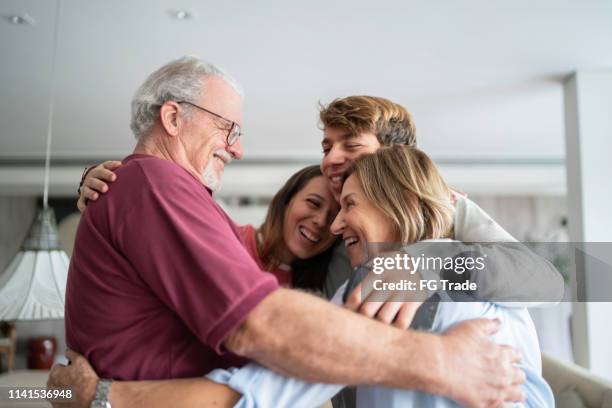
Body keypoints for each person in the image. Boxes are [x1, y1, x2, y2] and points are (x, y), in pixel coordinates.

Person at [56, 56, 525, 407]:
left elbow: (555, 277)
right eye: (327, 146)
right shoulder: (190, 210)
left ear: (395, 166)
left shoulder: (446, 214)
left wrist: (432, 260)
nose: (331, 223)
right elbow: (269, 364)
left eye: (352, 148)